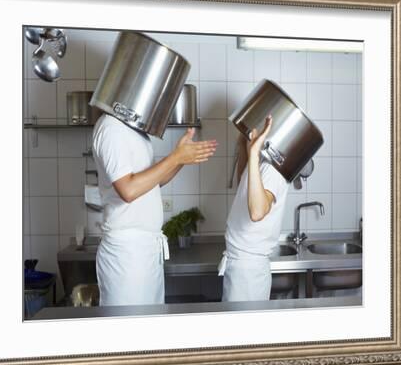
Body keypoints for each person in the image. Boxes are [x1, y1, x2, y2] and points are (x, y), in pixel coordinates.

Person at [92, 113, 217, 306]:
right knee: (128, 331)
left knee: (148, 330)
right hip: (127, 255)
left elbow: (153, 181)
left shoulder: (134, 129)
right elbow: (128, 189)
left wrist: (181, 158)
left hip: (146, 252)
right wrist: (175, 157)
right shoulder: (111, 128)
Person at [218, 115, 290, 301]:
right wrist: (245, 146)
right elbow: (244, 183)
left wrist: (254, 152)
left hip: (248, 273)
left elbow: (257, 211)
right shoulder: (261, 165)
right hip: (240, 267)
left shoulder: (275, 170)